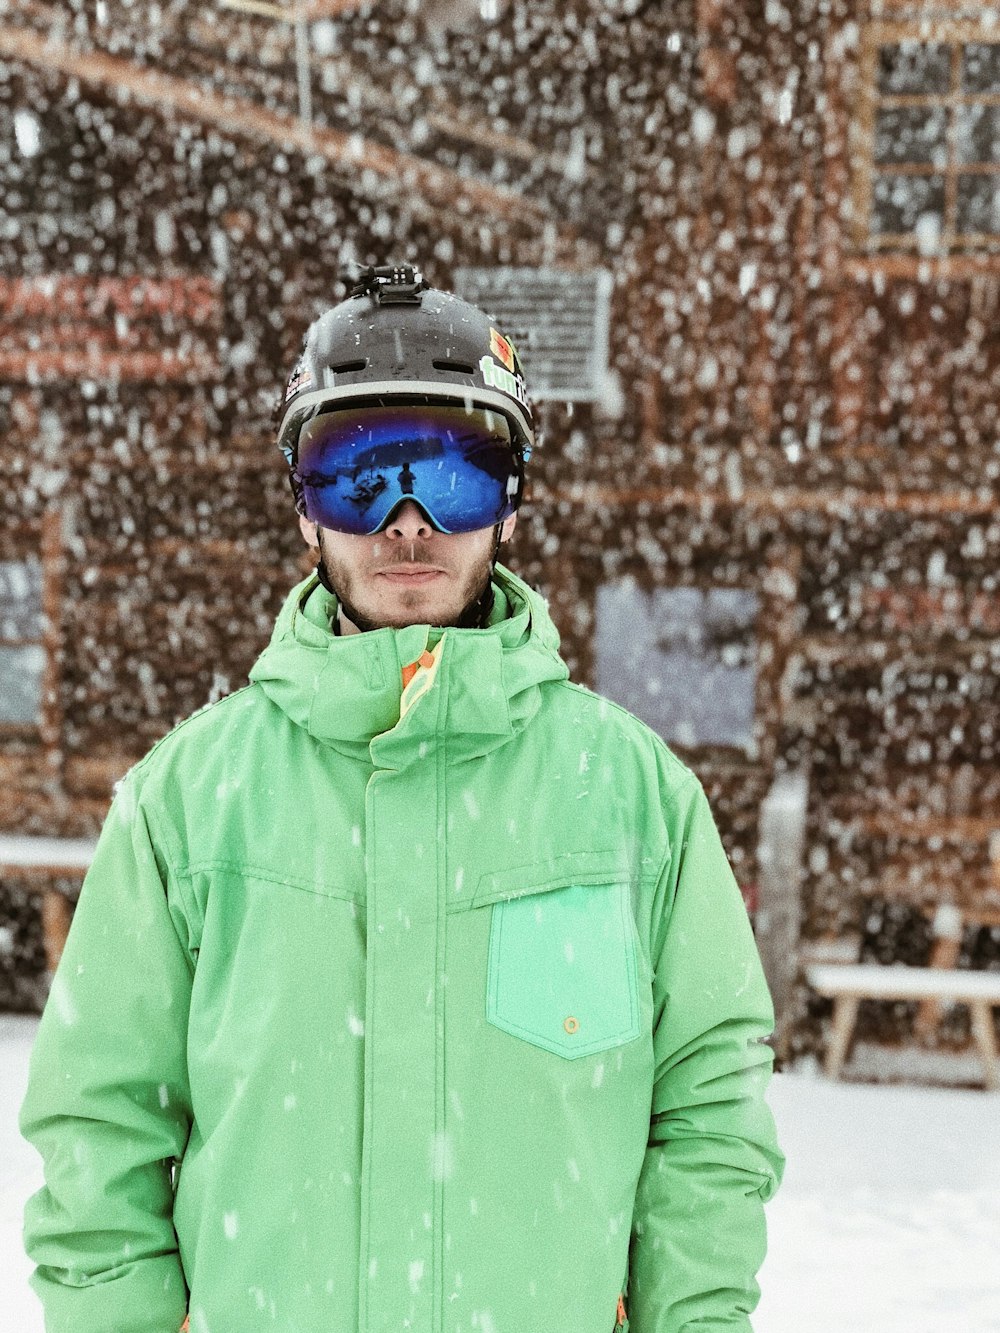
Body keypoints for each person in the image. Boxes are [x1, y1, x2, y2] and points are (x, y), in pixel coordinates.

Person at [21, 264, 783, 1333]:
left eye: (454, 476)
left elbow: (707, 1115)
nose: (409, 523)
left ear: (510, 505)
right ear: (304, 510)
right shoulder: (189, 801)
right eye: (360, 478)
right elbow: (99, 1127)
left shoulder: (632, 797)